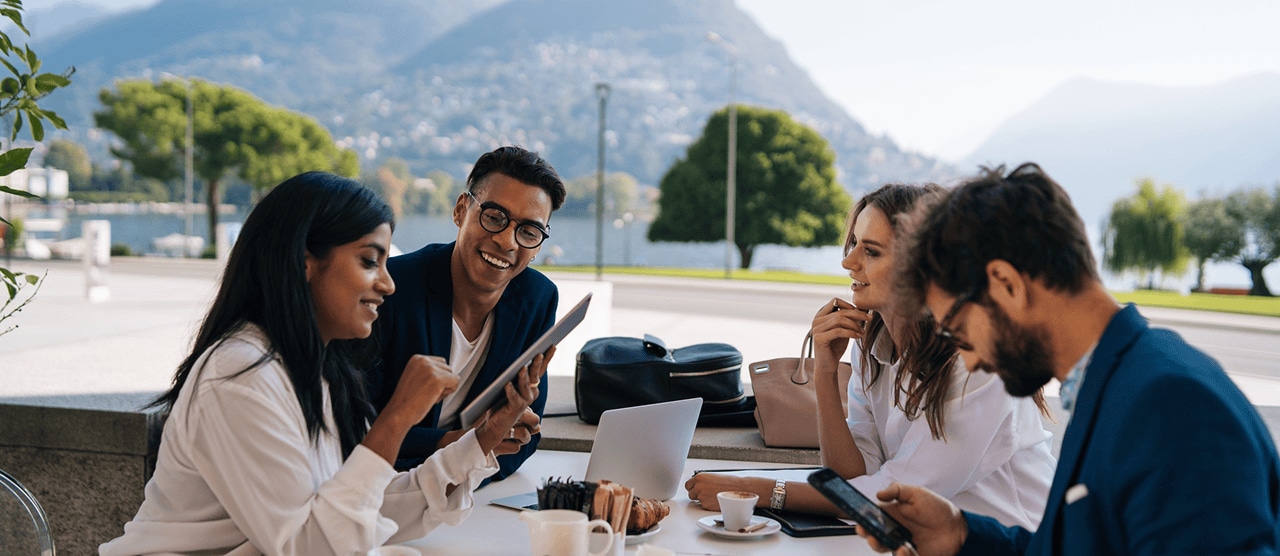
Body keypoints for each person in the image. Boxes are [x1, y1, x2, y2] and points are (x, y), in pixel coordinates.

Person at [100, 172, 545, 555]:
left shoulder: (314, 370)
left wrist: (480, 441)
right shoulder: (240, 375)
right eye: (370, 261)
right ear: (305, 263)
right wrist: (395, 419)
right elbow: (311, 546)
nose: (388, 284)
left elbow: (357, 509)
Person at [861, 163, 1280, 555]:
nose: (970, 363)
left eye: (959, 331)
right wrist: (961, 534)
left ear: (1006, 284)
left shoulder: (1170, 404)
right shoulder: (1114, 381)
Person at [685, 183, 1056, 530]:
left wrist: (757, 489)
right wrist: (825, 374)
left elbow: (894, 498)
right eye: (853, 245)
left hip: (1020, 543)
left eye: (871, 251)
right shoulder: (870, 342)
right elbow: (852, 477)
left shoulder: (978, 365)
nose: (849, 263)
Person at [369, 145, 567, 479]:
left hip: (468, 495)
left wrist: (466, 470)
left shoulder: (538, 298)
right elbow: (355, 428)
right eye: (494, 217)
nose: (508, 241)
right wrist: (458, 446)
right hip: (383, 489)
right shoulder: (391, 288)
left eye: (529, 232)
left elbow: (526, 432)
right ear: (462, 210)